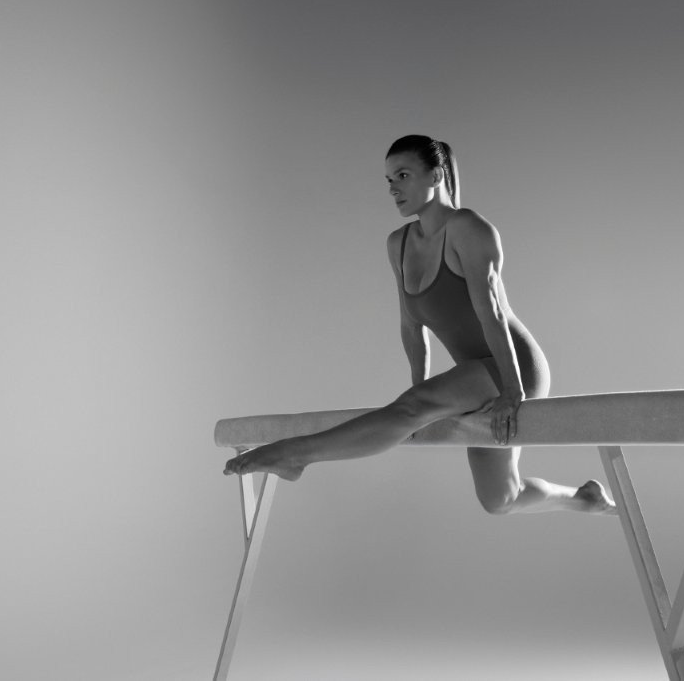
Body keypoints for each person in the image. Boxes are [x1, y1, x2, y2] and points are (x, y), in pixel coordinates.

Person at [224, 135, 615, 515]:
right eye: (389, 180)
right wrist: (418, 389)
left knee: (414, 407)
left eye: (403, 175)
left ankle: (296, 454)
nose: (393, 188)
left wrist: (512, 391)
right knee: (500, 499)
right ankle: (585, 499)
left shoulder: (468, 229)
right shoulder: (398, 244)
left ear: (436, 175)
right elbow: (411, 327)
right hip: (472, 375)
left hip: (513, 366)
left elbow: (492, 314)